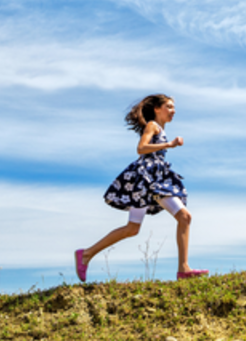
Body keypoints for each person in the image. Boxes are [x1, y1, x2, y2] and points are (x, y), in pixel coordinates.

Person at [74, 94, 208, 281]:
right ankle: (183, 269)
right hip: (148, 179)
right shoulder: (152, 126)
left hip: (152, 179)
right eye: (168, 107)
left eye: (173, 108)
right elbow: (141, 148)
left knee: (132, 229)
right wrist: (169, 144)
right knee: (184, 216)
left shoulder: (161, 128)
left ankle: (86, 254)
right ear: (157, 108)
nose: (173, 111)